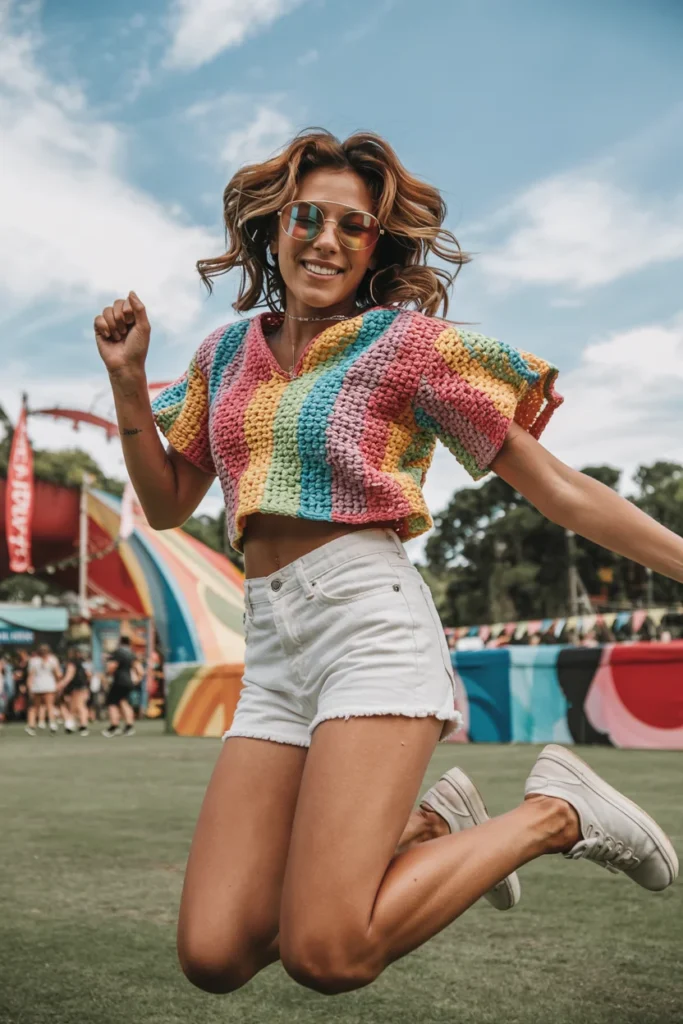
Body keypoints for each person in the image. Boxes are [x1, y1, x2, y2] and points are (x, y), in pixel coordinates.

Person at [94, 129, 679, 997]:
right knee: (215, 953)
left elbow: (556, 488)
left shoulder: (406, 347)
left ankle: (555, 814)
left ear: (377, 245)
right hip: (274, 652)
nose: (326, 239)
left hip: (368, 624)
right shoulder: (222, 356)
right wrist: (129, 386)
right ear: (275, 227)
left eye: (353, 226)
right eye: (308, 217)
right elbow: (173, 502)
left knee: (327, 953)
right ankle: (434, 821)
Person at [102, 637, 139, 737]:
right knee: (124, 702)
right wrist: (137, 680)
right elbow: (140, 670)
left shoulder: (118, 652)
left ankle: (114, 726)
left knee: (112, 703)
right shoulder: (131, 654)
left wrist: (107, 674)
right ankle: (129, 726)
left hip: (119, 681)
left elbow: (112, 666)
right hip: (128, 682)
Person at [25, 644, 61, 736]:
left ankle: (32, 725)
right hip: (49, 684)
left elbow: (31, 675)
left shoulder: (33, 660)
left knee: (35, 706)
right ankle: (52, 723)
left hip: (37, 685)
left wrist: (29, 687)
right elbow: (58, 674)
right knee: (49, 705)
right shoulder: (53, 659)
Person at [58, 648, 91, 736]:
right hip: (83, 686)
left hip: (75, 687)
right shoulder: (82, 663)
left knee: (77, 706)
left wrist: (61, 684)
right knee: (79, 706)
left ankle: (80, 725)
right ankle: (78, 724)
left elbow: (69, 676)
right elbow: (88, 675)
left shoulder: (71, 663)